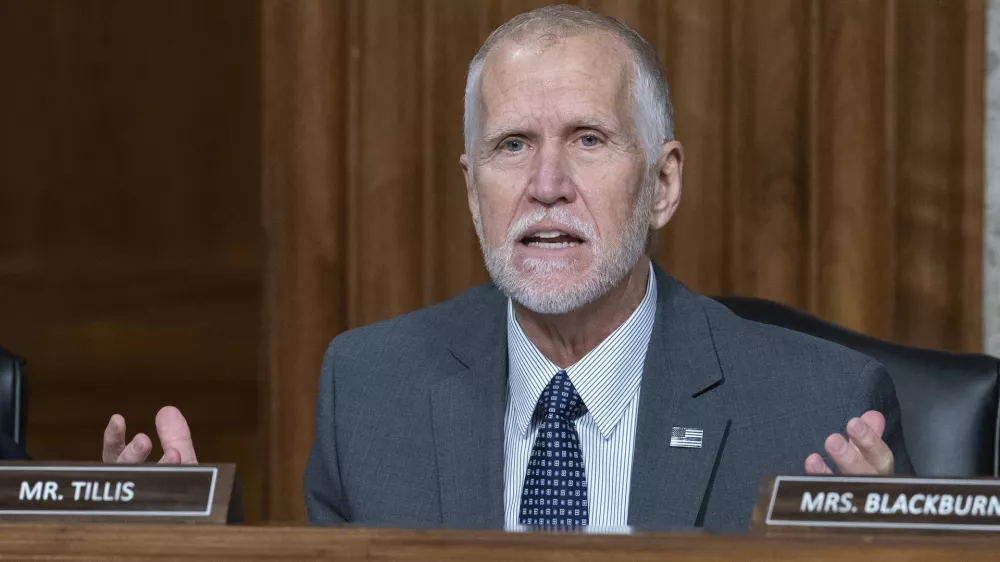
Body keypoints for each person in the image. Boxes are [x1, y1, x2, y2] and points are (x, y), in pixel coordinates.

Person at [105, 5, 910, 532]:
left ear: (662, 184)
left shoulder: (821, 410)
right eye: (512, 145)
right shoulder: (370, 390)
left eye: (588, 140)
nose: (547, 185)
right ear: (470, 186)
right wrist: (174, 535)